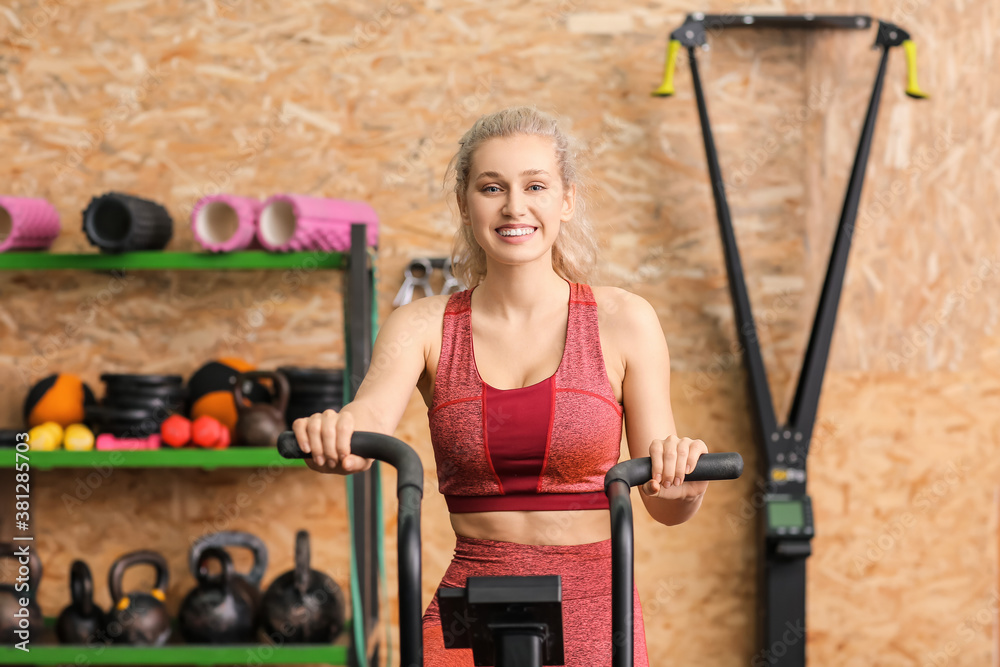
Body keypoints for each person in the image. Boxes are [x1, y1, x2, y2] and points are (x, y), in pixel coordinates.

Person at [290, 106, 711, 666]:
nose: (515, 206)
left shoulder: (624, 320)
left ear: (566, 200)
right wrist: (334, 434)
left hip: (594, 601)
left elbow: (665, 505)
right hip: (473, 596)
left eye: (535, 185)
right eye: (492, 187)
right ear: (466, 204)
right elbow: (366, 422)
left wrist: (686, 477)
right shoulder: (421, 325)